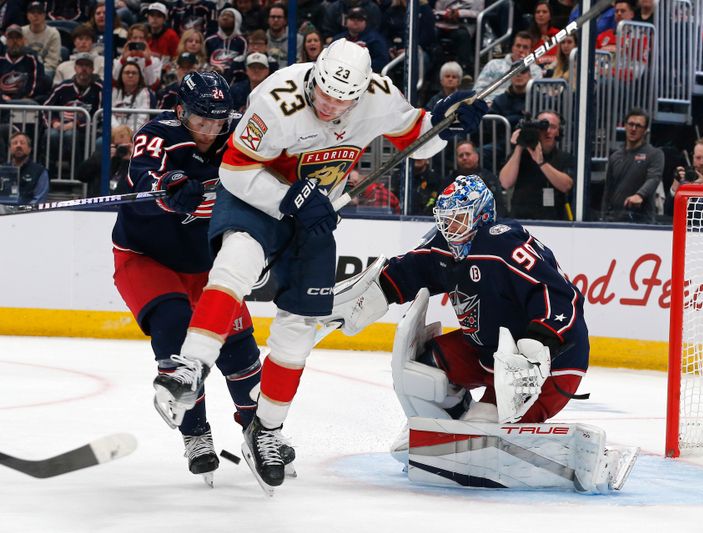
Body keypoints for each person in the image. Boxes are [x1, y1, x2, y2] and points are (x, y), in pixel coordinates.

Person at [157, 38, 487, 493]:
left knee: (298, 332)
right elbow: (235, 169)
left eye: (341, 99)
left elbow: (418, 139)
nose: (330, 105)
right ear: (313, 76)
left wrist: (446, 121)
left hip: (312, 218)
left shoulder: (379, 95)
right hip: (259, 197)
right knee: (235, 264)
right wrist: (289, 196)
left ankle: (266, 430)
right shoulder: (278, 98)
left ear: (361, 91)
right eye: (323, 93)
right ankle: (190, 367)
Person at [320, 175, 613, 488]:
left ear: (481, 215)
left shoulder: (503, 243)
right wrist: (369, 295)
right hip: (487, 354)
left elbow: (561, 296)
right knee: (420, 368)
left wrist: (537, 345)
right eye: (445, 222)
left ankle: (480, 430)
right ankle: (444, 429)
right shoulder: (446, 247)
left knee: (483, 428)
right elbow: (409, 270)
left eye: (457, 221)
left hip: (549, 367)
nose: (450, 230)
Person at [112, 71, 263, 486]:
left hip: (207, 263)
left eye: (218, 122)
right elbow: (141, 178)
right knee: (175, 328)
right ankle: (196, 434)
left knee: (238, 347)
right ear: (181, 111)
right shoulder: (158, 133)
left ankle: (261, 430)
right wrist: (166, 187)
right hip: (146, 257)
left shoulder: (239, 138)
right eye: (201, 122)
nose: (210, 133)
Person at [499, 110, 575, 220]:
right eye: (543, 126)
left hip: (555, 221)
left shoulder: (565, 158)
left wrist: (541, 162)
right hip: (521, 219)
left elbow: (567, 186)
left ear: (559, 132)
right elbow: (505, 183)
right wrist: (520, 146)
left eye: (552, 127)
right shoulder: (520, 155)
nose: (547, 131)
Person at [600, 108, 664, 223]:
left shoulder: (655, 154)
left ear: (645, 130)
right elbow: (608, 190)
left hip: (641, 220)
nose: (633, 129)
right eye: (631, 124)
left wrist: (640, 195)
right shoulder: (615, 156)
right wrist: (603, 216)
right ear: (625, 126)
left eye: (638, 126)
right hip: (614, 220)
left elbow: (654, 178)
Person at [473, 31, 542, 106]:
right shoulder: (493, 65)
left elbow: (536, 94)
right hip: (491, 107)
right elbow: (477, 90)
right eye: (518, 46)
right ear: (512, 48)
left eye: (525, 47)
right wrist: (487, 102)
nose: (521, 50)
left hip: (521, 107)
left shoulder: (535, 70)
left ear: (530, 51)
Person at [334, 7, 390, 72]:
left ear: (365, 22)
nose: (355, 21)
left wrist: (360, 67)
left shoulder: (375, 39)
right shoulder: (338, 39)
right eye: (352, 18)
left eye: (359, 19)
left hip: (366, 75)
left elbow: (381, 61)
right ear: (346, 21)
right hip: (339, 72)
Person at [0, 25, 47, 102]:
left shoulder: (32, 58)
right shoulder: (1, 59)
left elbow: (38, 83)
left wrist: (19, 98)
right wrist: (2, 97)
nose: (15, 41)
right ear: (6, 41)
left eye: (18, 38)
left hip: (25, 100)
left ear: (23, 40)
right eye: (11, 38)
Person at [113, 23, 163, 90]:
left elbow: (152, 85)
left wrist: (148, 61)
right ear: (129, 40)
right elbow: (115, 82)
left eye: (141, 38)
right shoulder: (119, 61)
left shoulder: (155, 61)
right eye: (135, 38)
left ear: (146, 41)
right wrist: (123, 60)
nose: (138, 41)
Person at [111, 60, 157, 132]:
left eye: (134, 73)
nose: (130, 75)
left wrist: (129, 132)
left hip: (137, 134)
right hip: (114, 133)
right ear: (121, 75)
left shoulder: (145, 93)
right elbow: (108, 115)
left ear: (139, 76)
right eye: (127, 72)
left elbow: (143, 118)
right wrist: (118, 131)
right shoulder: (114, 91)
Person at [205, 7, 247, 84]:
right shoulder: (210, 40)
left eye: (229, 16)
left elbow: (242, 62)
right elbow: (204, 61)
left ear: (237, 21)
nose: (225, 18)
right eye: (223, 15)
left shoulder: (242, 41)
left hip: (234, 81)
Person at [21, 1, 61, 81]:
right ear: (27, 16)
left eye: (39, 12)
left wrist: (37, 72)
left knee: (46, 77)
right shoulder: (21, 31)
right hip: (24, 69)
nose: (36, 15)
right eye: (32, 12)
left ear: (44, 15)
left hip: (45, 70)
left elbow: (52, 63)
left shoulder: (53, 33)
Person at [9, 132, 48, 205]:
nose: (18, 145)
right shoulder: (3, 170)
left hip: (27, 213)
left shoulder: (39, 171)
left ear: (29, 149)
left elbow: (39, 199)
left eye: (22, 143)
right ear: (10, 149)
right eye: (15, 143)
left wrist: (22, 212)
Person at [265, 3, 302, 69]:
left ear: (285, 20)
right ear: (268, 20)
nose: (275, 20)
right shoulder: (263, 39)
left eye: (279, 17)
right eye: (273, 17)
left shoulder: (298, 39)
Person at [528, 0, 560, 66]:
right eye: (538, 12)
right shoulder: (529, 36)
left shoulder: (558, 34)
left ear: (550, 16)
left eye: (544, 12)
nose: (541, 14)